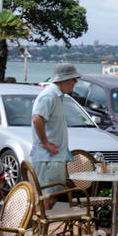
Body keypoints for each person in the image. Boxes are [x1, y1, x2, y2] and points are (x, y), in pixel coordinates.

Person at [31, 63, 79, 195]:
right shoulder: (49, 96)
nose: (75, 82)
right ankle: (39, 215)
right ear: (63, 80)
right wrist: (46, 143)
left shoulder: (56, 96)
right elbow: (37, 119)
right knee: (48, 198)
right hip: (48, 158)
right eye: (73, 79)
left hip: (54, 157)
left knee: (52, 197)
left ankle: (41, 214)